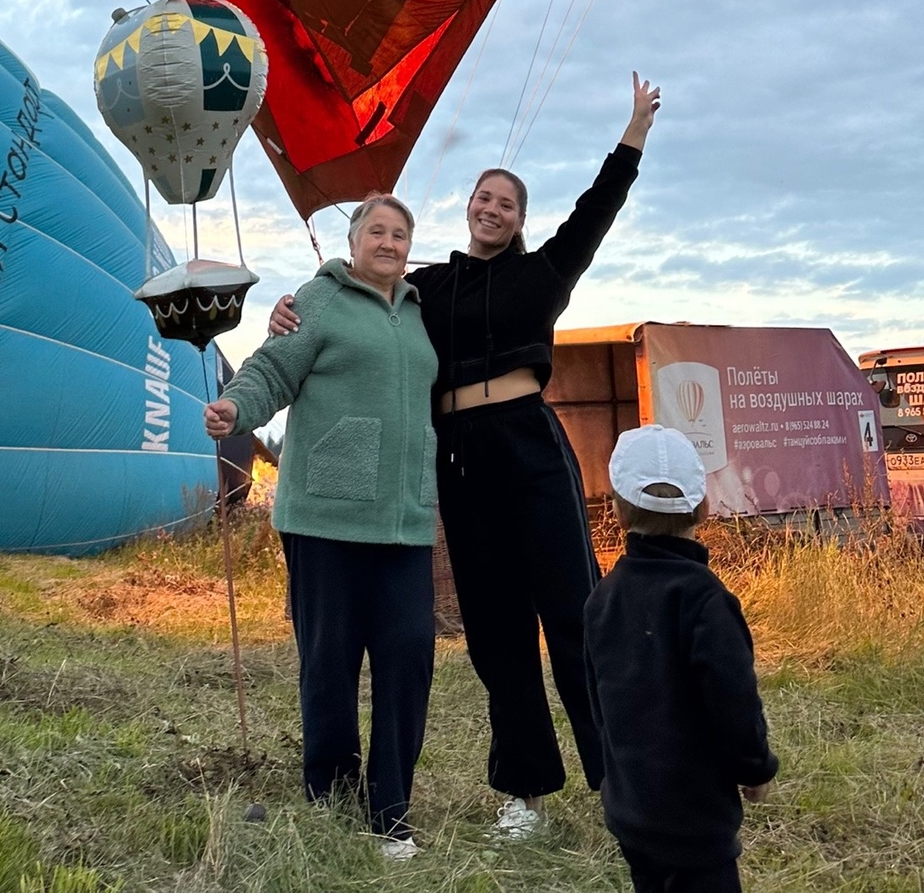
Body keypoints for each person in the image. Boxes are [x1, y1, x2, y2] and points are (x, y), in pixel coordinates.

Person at [268, 69, 661, 838]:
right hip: (463, 466)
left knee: (573, 618)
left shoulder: (543, 275)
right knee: (496, 634)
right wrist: (294, 300)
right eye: (483, 198)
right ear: (469, 209)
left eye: (506, 204)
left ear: (518, 221)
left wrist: (633, 135)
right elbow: (360, 276)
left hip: (531, 451)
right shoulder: (432, 286)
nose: (491, 209)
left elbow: (598, 210)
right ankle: (526, 796)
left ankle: (623, 789)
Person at [204, 193, 437, 861]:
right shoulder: (320, 298)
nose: (389, 244)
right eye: (377, 232)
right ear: (354, 240)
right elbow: (273, 369)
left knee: (408, 660)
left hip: (404, 521)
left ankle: (391, 809)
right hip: (325, 517)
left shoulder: (423, 314)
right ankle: (330, 795)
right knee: (330, 662)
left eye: (400, 234)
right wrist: (235, 406)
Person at [585, 426, 777, 893]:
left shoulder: (602, 598)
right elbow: (734, 698)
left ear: (615, 509)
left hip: (631, 813)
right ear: (704, 509)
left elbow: (599, 703)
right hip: (698, 822)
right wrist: (754, 768)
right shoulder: (707, 600)